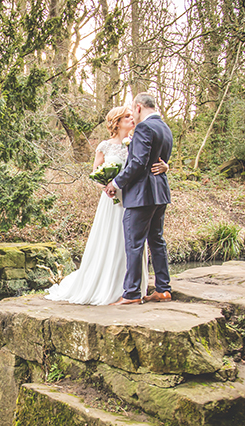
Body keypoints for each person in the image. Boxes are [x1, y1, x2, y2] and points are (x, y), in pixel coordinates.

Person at [45, 105, 168, 306]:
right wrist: (105, 186)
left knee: (131, 243)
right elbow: (95, 173)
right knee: (111, 239)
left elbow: (146, 164)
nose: (132, 118)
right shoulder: (105, 145)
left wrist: (166, 166)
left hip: (134, 198)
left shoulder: (137, 140)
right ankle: (107, 285)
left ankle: (129, 288)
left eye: (132, 115)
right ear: (116, 122)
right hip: (112, 200)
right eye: (127, 116)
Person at [106, 93, 173, 305]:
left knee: (134, 243)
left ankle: (132, 293)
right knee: (157, 241)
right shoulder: (165, 128)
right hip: (159, 193)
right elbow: (159, 160)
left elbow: (138, 163)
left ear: (137, 107)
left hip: (141, 195)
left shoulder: (144, 127)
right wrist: (166, 166)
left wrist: (116, 183)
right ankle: (163, 289)